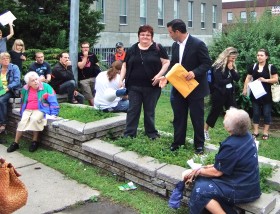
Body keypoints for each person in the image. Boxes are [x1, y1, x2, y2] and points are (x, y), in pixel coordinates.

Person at [183, 108, 261, 214]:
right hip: (250, 184)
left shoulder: (231, 145)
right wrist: (203, 168)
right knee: (201, 180)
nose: (225, 114)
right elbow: (227, 164)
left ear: (228, 128)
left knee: (201, 189)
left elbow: (217, 172)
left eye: (226, 117)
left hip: (240, 188)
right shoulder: (247, 135)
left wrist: (198, 171)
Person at [160, 19, 212, 153]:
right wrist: (166, 77)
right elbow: (173, 64)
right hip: (179, 88)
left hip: (195, 89)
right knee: (179, 117)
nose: (170, 35)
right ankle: (178, 142)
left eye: (171, 32)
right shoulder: (175, 45)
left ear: (177, 31)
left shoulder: (198, 44)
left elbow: (207, 63)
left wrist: (194, 72)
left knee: (197, 118)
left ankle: (199, 145)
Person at [119, 25, 170, 140]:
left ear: (152, 37)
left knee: (149, 111)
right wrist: (121, 79)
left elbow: (166, 62)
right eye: (142, 34)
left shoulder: (158, 48)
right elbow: (124, 65)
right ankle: (129, 134)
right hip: (134, 86)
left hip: (152, 87)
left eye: (148, 35)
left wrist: (159, 75)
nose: (145, 37)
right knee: (133, 110)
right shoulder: (132, 49)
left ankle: (151, 133)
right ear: (138, 36)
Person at [7, 71, 60, 153]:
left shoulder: (46, 87)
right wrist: (22, 111)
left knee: (34, 119)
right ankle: (15, 143)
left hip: (41, 109)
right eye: (33, 80)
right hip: (27, 109)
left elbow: (53, 100)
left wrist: (54, 113)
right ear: (28, 83)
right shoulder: (25, 89)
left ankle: (35, 141)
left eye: (36, 79)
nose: (36, 81)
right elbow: (23, 101)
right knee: (22, 122)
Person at [204, 47, 240, 141]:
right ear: (227, 56)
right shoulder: (217, 66)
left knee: (234, 113)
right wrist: (230, 79)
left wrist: (231, 70)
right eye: (232, 58)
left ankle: (235, 134)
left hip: (230, 93)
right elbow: (219, 81)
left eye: (235, 58)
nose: (233, 60)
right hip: (219, 93)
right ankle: (205, 131)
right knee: (214, 112)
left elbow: (237, 78)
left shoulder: (232, 65)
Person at [242, 48, 278, 140]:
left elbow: (275, 79)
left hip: (267, 95)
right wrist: (245, 88)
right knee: (256, 113)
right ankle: (256, 131)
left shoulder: (271, 67)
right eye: (258, 55)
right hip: (255, 94)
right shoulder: (253, 66)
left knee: (266, 113)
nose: (259, 57)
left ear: (266, 57)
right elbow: (248, 78)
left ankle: (266, 132)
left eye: (261, 55)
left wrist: (265, 80)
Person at [0, 52, 21, 134]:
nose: (5, 60)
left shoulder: (14, 68)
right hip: (1, 89)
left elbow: (17, 81)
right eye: (3, 58)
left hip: (11, 90)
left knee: (1, 100)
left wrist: (7, 88)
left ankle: (3, 124)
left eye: (7, 58)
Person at [77, 41, 101, 106]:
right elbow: (81, 66)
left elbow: (96, 63)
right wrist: (85, 57)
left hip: (93, 77)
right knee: (89, 95)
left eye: (87, 47)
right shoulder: (78, 55)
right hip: (84, 79)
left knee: (95, 93)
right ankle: (94, 107)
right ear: (81, 48)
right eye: (84, 47)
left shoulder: (92, 55)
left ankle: (98, 105)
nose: (86, 49)